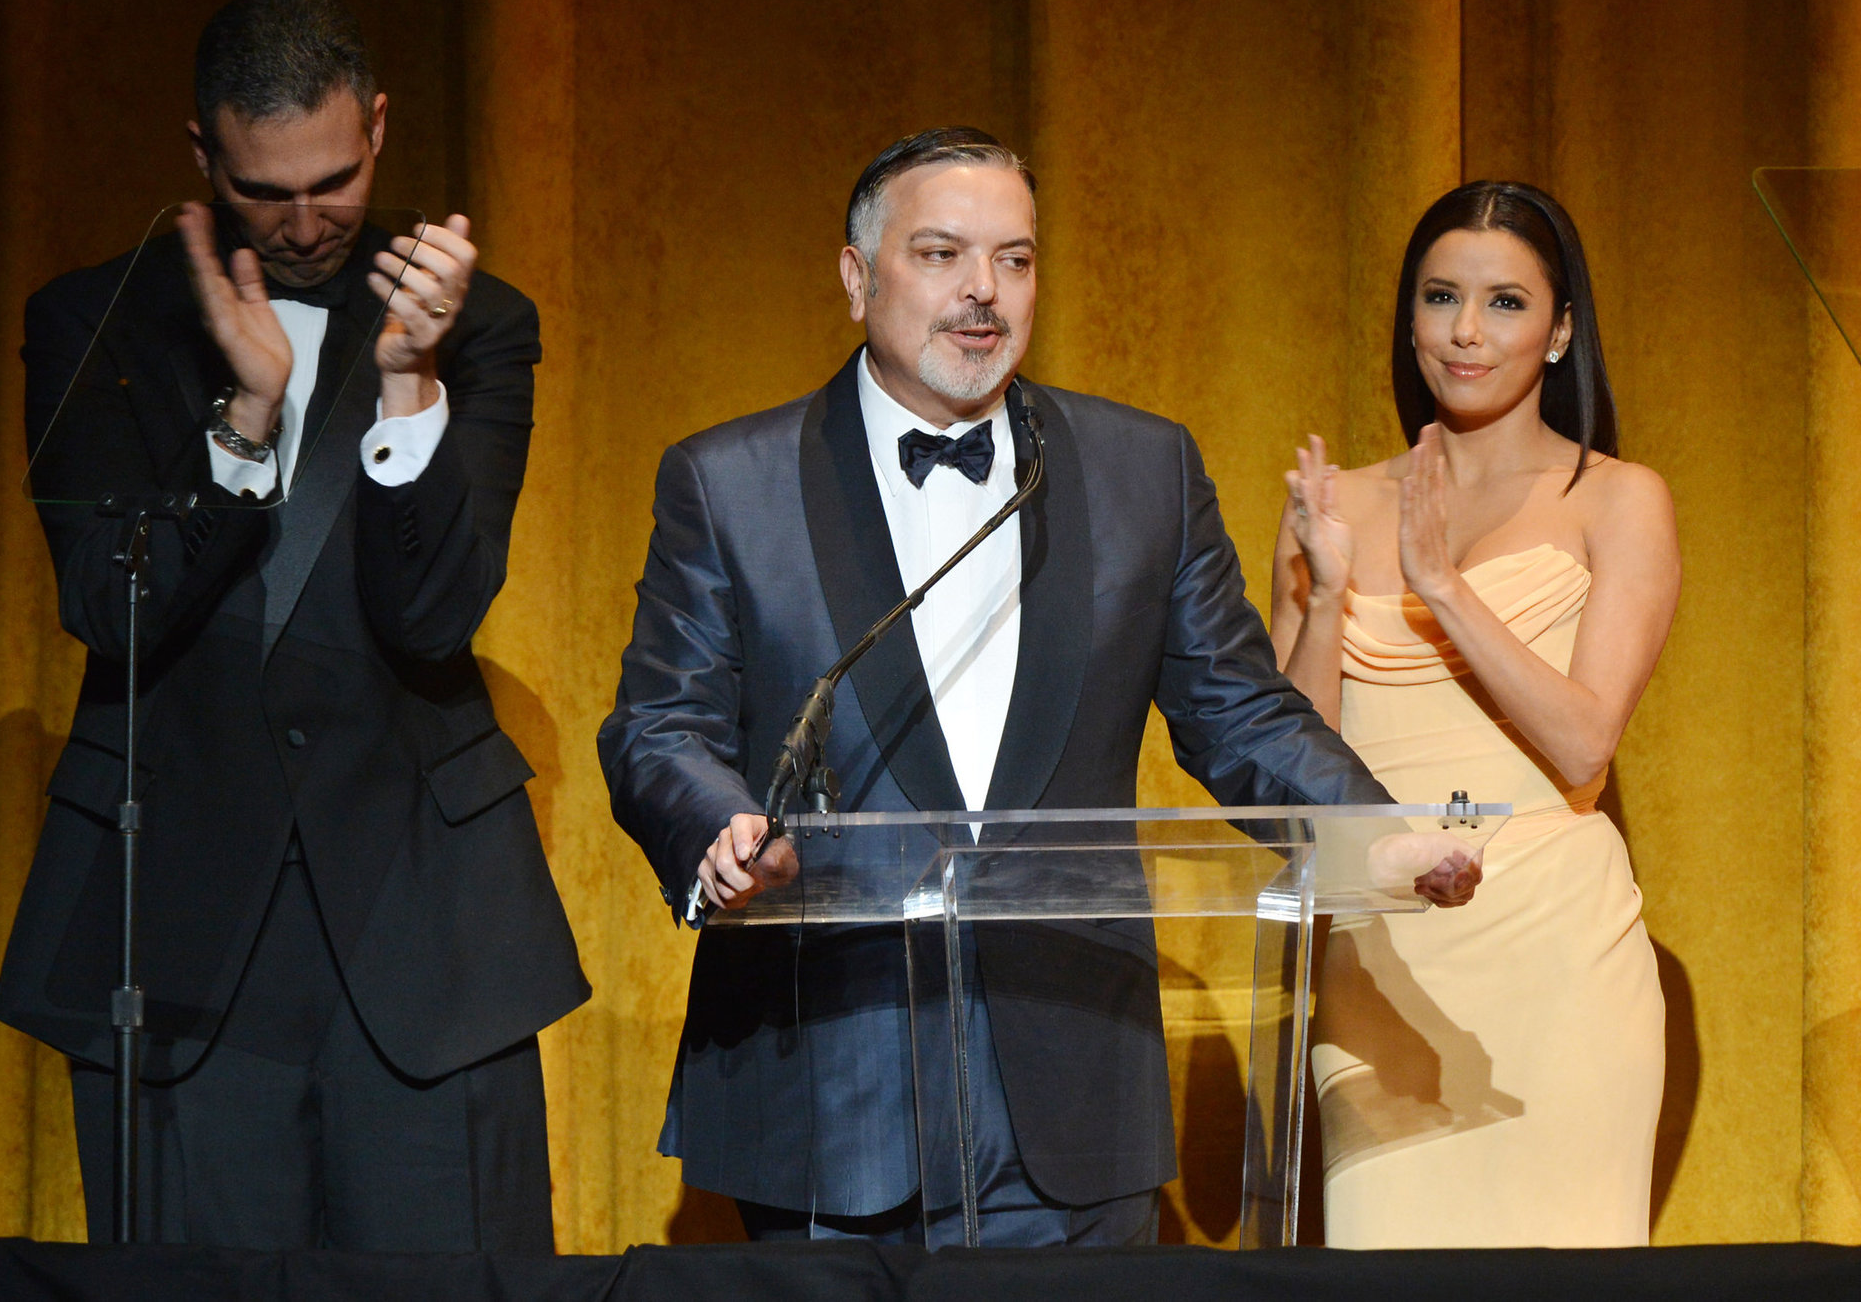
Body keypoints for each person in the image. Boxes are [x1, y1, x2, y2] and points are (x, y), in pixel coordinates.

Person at [598, 126, 1404, 1247]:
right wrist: (721, 829)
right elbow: (658, 726)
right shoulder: (728, 483)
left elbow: (1236, 706)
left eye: (1014, 260)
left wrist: (1373, 832)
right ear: (854, 275)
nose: (983, 292)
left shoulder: (1143, 470)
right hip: (834, 1100)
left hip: (1072, 1090)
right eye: (940, 254)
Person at [0, 0, 587, 1250]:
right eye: (268, 192)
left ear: (375, 126)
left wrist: (408, 379)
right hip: (178, 933)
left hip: (427, 942)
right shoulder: (91, 321)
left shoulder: (477, 323)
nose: (310, 224)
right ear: (201, 153)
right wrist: (246, 424)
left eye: (334, 179)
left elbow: (434, 616)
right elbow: (111, 607)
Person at [1273, 180, 1678, 1247]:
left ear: (1558, 332)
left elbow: (1583, 745)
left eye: (1503, 302)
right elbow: (1285, 768)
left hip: (1553, 952)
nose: (1463, 330)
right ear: (1406, 319)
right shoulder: (1333, 502)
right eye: (1439, 296)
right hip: (1382, 956)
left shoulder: (1617, 497)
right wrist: (1320, 595)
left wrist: (1439, 585)